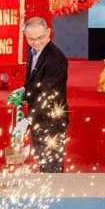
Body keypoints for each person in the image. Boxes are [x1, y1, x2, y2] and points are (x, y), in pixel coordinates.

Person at [13, 17, 68, 172]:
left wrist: (26, 121)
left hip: (52, 121)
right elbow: (35, 80)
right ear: (25, 36)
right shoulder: (33, 51)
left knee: (52, 166)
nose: (36, 42)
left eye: (40, 37)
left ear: (48, 32)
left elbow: (47, 96)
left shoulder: (56, 59)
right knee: (42, 160)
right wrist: (24, 91)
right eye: (31, 39)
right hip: (37, 117)